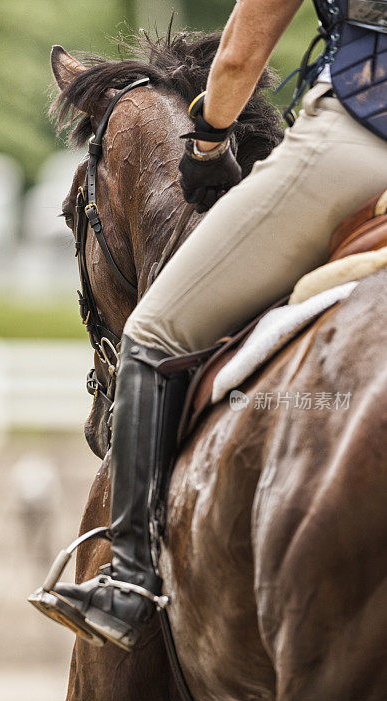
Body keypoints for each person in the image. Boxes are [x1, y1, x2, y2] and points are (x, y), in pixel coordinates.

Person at [30, 0, 387, 650]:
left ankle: (129, 578)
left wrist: (209, 140)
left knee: (153, 333)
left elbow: (240, 57)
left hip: (362, 139)